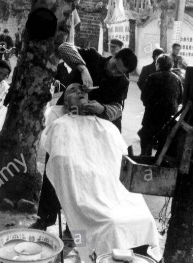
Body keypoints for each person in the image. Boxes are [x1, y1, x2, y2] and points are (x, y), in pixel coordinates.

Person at [40, 83, 161, 261]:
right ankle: (98, 257)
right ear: (66, 105)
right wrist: (85, 171)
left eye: (82, 91)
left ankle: (139, 257)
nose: (79, 92)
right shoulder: (60, 125)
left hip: (114, 189)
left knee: (145, 219)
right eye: (72, 91)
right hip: (86, 192)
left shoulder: (108, 127)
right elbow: (60, 162)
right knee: (111, 223)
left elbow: (120, 161)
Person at [33, 46, 137, 231]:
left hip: (89, 129)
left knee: (86, 175)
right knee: (58, 165)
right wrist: (83, 68)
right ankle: (45, 219)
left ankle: (75, 227)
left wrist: (103, 110)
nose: (114, 73)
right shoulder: (91, 57)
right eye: (114, 66)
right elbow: (63, 47)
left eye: (119, 72)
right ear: (113, 56)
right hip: (66, 122)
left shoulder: (122, 82)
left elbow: (118, 108)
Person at [139, 55, 184, 156]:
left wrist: (150, 105)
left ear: (158, 64)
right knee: (163, 144)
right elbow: (181, 98)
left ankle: (145, 157)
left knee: (146, 139)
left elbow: (144, 97)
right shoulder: (177, 79)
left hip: (152, 115)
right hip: (170, 117)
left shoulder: (152, 77)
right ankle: (158, 162)